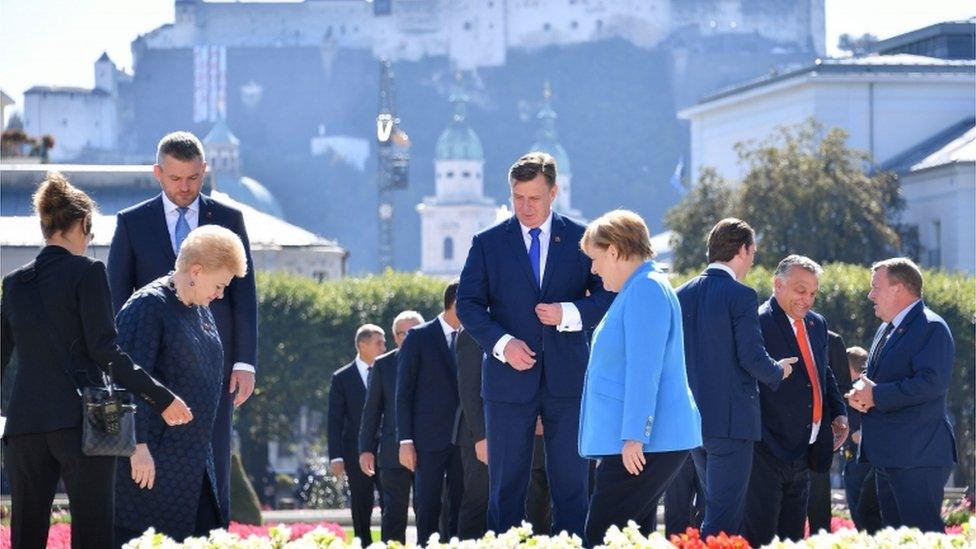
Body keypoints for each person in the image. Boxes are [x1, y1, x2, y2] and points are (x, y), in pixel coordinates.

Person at [0, 173, 193, 549]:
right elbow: (107, 353)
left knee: (25, 535)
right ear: (82, 225)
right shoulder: (89, 273)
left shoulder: (14, 283)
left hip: (25, 423)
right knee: (93, 534)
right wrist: (162, 397)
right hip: (85, 419)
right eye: (90, 231)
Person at [457, 153, 614, 538]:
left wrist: (569, 313)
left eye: (534, 198)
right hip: (507, 386)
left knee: (573, 490)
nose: (525, 207)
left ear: (554, 192)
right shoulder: (487, 243)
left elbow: (607, 294)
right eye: (517, 197)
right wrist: (503, 344)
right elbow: (468, 304)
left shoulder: (583, 240)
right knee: (506, 491)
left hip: (568, 383)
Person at [108, 131, 257, 519]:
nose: (184, 187)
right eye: (175, 179)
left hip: (211, 367)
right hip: (148, 361)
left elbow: (244, 298)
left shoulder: (229, 219)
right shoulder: (131, 223)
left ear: (204, 171)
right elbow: (115, 298)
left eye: (193, 178)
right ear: (158, 173)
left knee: (211, 459)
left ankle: (209, 524)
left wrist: (244, 362)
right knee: (154, 478)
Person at [113, 224, 249, 545]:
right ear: (196, 271)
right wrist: (137, 447)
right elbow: (123, 380)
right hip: (149, 466)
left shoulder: (200, 309)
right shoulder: (147, 306)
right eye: (218, 285)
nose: (220, 294)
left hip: (193, 464)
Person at [577, 210, 702, 546]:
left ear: (615, 252)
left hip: (641, 443)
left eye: (596, 259)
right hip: (644, 442)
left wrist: (635, 434)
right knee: (631, 539)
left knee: (602, 537)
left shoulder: (645, 290)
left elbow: (645, 370)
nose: (594, 269)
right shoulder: (643, 287)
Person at [675, 218, 796, 537]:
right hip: (731, 425)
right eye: (753, 251)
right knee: (724, 518)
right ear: (741, 249)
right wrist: (778, 370)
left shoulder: (680, 294)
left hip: (693, 424)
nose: (753, 259)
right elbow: (752, 357)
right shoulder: (740, 295)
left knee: (711, 512)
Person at [742, 255, 848, 545]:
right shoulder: (756, 323)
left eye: (813, 292)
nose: (808, 299)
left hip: (806, 449)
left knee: (792, 538)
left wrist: (839, 413)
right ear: (778, 285)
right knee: (762, 537)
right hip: (766, 450)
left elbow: (822, 372)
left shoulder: (816, 324)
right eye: (801, 290)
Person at [847, 258, 957, 532]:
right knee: (895, 537)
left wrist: (877, 396)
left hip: (917, 455)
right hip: (888, 456)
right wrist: (862, 394)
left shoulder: (931, 327)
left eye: (876, 287)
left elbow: (932, 383)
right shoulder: (886, 328)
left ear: (898, 289)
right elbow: (879, 380)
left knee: (924, 536)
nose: (870, 294)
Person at [397, 281, 465, 544]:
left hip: (465, 439)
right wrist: (406, 441)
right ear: (456, 304)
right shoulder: (418, 337)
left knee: (461, 504)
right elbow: (403, 394)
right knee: (427, 505)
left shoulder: (474, 337)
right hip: (427, 439)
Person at [359, 311, 424, 543]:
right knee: (394, 515)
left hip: (431, 450)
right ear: (395, 337)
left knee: (429, 512)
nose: (409, 337)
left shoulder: (438, 360)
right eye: (403, 333)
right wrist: (365, 449)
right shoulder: (383, 365)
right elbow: (372, 411)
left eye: (414, 331)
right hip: (392, 452)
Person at [328, 324, 387, 544]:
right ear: (362, 345)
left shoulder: (389, 370)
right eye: (378, 342)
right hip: (354, 451)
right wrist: (336, 456)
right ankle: (363, 543)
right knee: (361, 503)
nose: (384, 346)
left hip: (386, 449)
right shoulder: (342, 377)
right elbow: (334, 420)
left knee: (390, 502)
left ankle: (390, 542)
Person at [807, 329, 854, 533]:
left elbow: (843, 388)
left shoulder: (831, 340)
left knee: (818, 505)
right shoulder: (768, 328)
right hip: (779, 437)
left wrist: (837, 421)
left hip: (819, 439)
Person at [841, 346, 883, 533]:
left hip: (860, 461)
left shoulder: (857, 390)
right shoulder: (869, 388)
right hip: (866, 459)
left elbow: (857, 434)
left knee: (863, 517)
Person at [454, 327, 490, 539]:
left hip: (510, 430)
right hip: (478, 435)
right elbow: (468, 388)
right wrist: (480, 436)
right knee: (477, 500)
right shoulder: (471, 331)